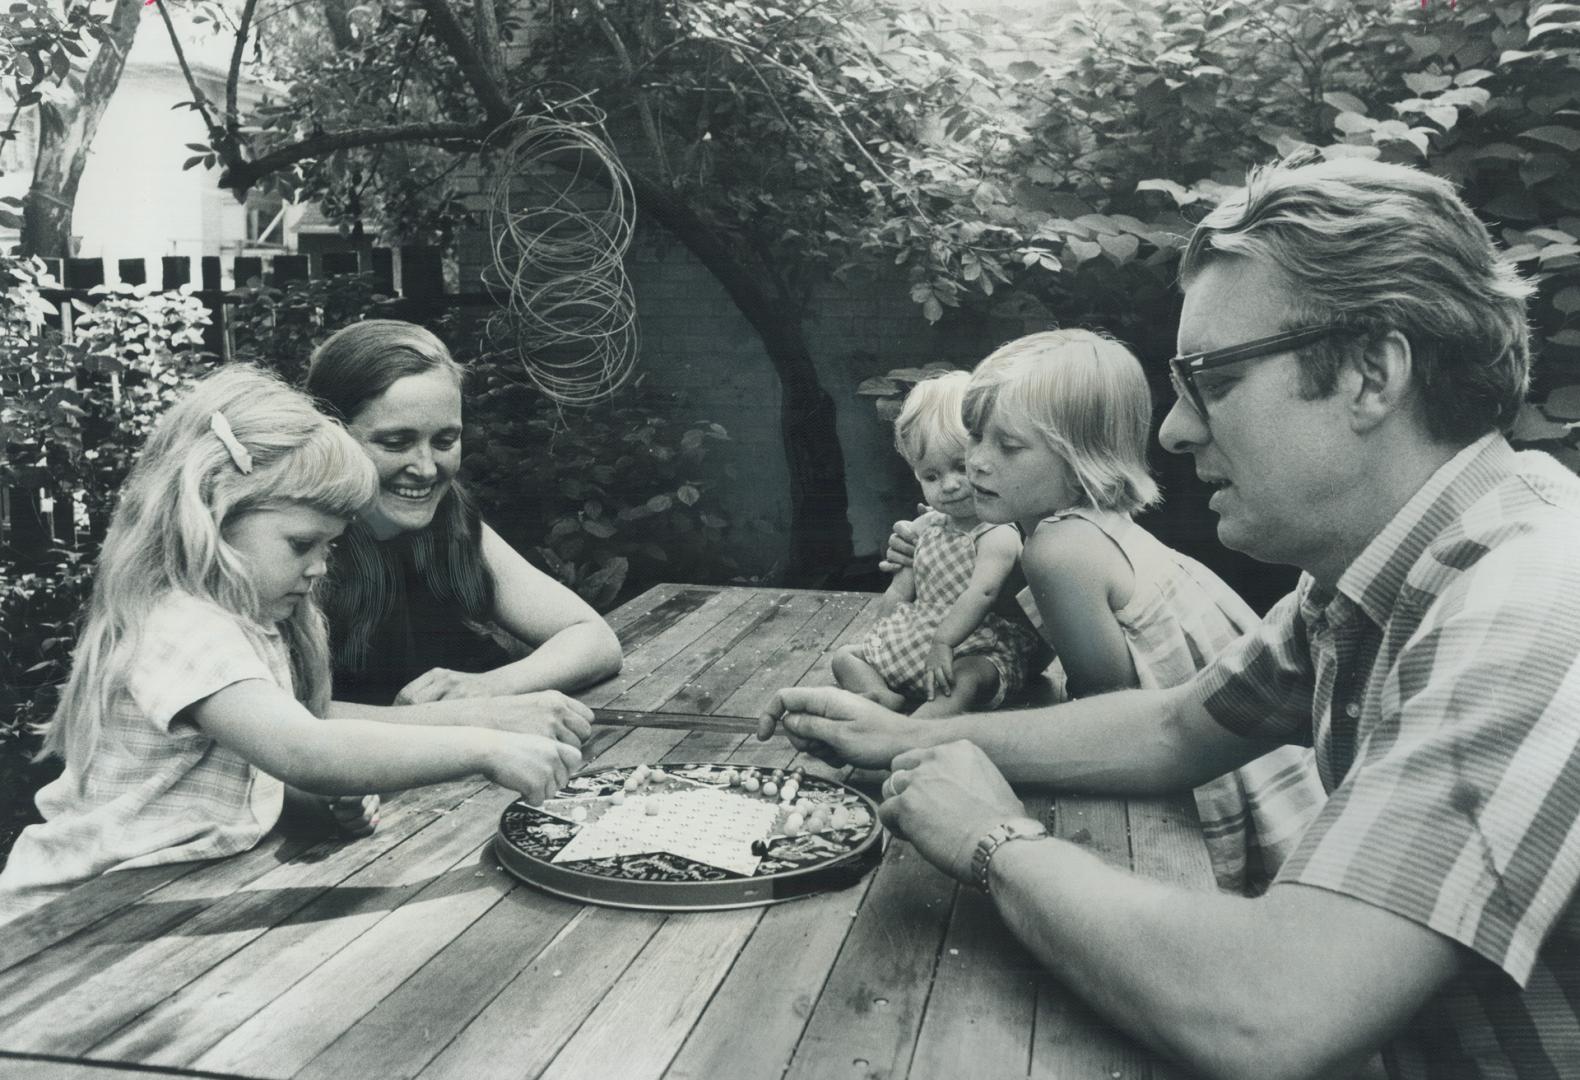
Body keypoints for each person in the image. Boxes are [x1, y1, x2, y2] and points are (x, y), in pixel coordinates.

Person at [759, 155, 1580, 1079]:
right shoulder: (1372, 574)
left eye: (1211, 380)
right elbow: (1172, 726)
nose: (1175, 431)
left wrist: (994, 840)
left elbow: (1268, 1010)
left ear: (1369, 374)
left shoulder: (1532, 602)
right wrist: (889, 739)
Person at [0, 367, 585, 925]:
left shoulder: (245, 620)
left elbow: (225, 771)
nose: (318, 570)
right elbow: (304, 749)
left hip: (159, 897)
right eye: (302, 543)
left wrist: (305, 803)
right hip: (66, 917)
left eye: (329, 547)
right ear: (216, 513)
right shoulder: (181, 627)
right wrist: (486, 748)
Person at [955, 328, 1321, 893]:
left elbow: (1104, 706)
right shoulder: (1090, 528)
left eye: (1008, 446)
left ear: (1081, 459)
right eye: (975, 436)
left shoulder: (1058, 550)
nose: (976, 461)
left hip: (1198, 785)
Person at [304, 320, 622, 713]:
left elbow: (594, 639)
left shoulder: (448, 517)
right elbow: (284, 716)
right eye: (396, 442)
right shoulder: (295, 538)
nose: (425, 467)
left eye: (444, 441)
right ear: (330, 434)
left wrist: (489, 686)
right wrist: (450, 725)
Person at [832, 371, 1038, 717]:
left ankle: (912, 730)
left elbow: (982, 593)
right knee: (846, 657)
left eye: (961, 467)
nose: (950, 485)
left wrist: (943, 643)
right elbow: (901, 589)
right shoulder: (927, 526)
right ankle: (880, 694)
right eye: (932, 475)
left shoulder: (996, 532)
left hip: (975, 642)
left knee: (968, 676)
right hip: (921, 640)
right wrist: (882, 635)